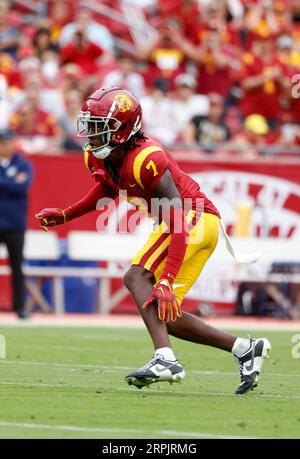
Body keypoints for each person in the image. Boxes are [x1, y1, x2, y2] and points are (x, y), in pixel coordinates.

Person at [35, 87, 271, 395]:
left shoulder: (148, 159)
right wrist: (66, 214)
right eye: (89, 125)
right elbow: (108, 188)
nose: (91, 133)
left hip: (193, 218)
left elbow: (177, 221)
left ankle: (165, 359)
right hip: (191, 224)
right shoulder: (98, 156)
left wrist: (167, 278)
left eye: (98, 126)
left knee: (136, 276)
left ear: (122, 129)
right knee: (164, 315)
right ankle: (245, 348)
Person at [0, 128, 33, 319]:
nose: (5, 146)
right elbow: (15, 185)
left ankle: (19, 307)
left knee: (17, 267)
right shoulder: (18, 168)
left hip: (14, 225)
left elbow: (22, 187)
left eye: (7, 142)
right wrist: (10, 182)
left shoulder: (23, 164)